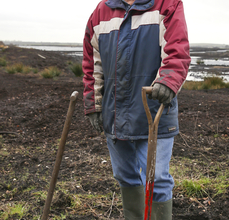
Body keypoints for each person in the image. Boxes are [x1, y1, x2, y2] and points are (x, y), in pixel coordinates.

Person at [82, 0, 190, 219]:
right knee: (125, 175)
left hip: (154, 109)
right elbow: (92, 63)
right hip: (115, 113)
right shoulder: (101, 11)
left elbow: (177, 51)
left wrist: (168, 81)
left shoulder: (167, 5)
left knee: (157, 179)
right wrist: (93, 103)